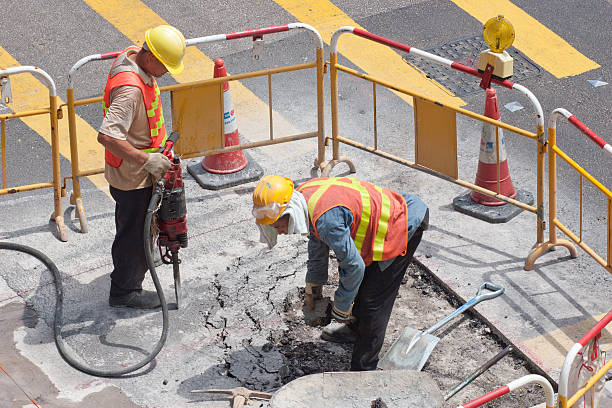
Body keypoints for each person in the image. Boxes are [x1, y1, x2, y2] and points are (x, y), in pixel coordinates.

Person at [252, 175, 428, 371]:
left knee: (373, 301)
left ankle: (364, 368)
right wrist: (313, 288)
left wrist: (341, 309)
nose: (281, 232)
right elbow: (317, 243)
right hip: (384, 222)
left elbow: (354, 267)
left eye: (278, 226)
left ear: (290, 211)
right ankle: (353, 331)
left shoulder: (327, 220)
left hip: (402, 223)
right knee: (360, 284)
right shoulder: (304, 196)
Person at [97, 25, 186, 309]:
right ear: (150, 58)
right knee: (134, 233)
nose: (167, 72)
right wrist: (147, 159)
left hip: (139, 168)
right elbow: (107, 136)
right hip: (132, 176)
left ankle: (138, 264)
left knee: (138, 229)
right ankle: (125, 291)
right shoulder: (130, 91)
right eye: (166, 66)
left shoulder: (133, 56)